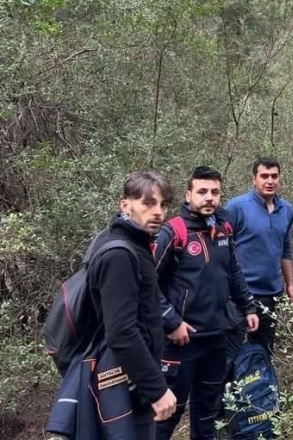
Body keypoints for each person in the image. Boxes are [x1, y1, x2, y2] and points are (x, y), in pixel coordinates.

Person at [154, 166, 260, 440]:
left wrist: (247, 306)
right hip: (180, 341)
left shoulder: (223, 229)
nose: (209, 197)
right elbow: (147, 285)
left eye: (215, 192)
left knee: (207, 412)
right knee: (169, 413)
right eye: (202, 192)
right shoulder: (173, 232)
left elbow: (233, 271)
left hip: (217, 336)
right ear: (188, 195)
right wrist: (172, 322)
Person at [86, 171, 177, 439]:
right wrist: (156, 389)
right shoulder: (120, 254)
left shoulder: (133, 244)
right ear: (124, 205)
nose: (158, 212)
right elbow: (122, 332)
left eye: (163, 204)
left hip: (128, 382)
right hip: (122, 386)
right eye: (148, 203)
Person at [226, 157, 293, 355]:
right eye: (264, 176)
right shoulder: (236, 207)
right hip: (239, 294)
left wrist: (290, 284)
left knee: (263, 353)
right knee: (231, 353)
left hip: (271, 294)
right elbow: (222, 247)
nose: (269, 181)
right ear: (254, 179)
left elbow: (285, 247)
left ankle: (260, 386)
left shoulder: (287, 210)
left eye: (274, 176)